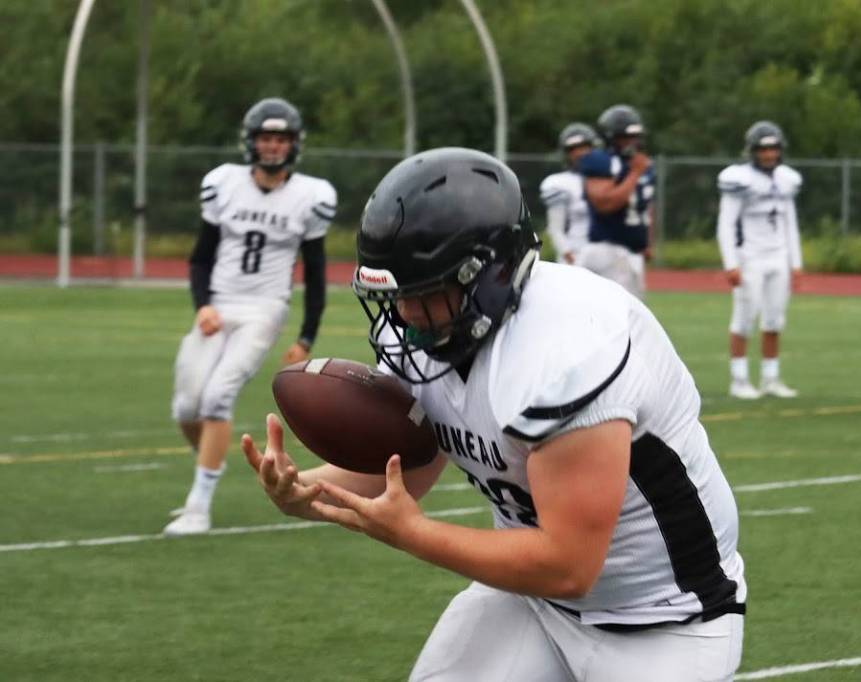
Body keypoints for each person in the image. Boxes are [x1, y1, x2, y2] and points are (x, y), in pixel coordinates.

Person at [242, 148, 746, 681]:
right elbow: (407, 467)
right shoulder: (424, 330)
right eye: (399, 295)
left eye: (427, 293)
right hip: (532, 600)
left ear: (491, 275)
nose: (407, 317)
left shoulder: (565, 350)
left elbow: (569, 564)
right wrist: (308, 493)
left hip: (665, 618)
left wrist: (413, 534)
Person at [164, 97, 337, 536]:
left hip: (264, 308)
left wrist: (306, 336)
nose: (273, 146)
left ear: (294, 144)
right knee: (187, 405)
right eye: (266, 137)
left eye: (281, 138)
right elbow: (201, 257)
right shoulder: (223, 183)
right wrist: (202, 303)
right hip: (219, 304)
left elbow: (315, 274)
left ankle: (198, 506)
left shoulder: (310, 196)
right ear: (251, 141)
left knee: (217, 397)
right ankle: (209, 462)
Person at [716, 121, 803, 400]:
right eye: (764, 149)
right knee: (744, 318)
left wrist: (796, 261)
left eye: (774, 149)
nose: (769, 155)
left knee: (775, 320)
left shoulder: (786, 179)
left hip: (778, 256)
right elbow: (725, 224)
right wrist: (730, 262)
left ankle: (770, 378)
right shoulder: (740, 179)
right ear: (753, 151)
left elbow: (790, 222)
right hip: (749, 256)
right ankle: (739, 380)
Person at [576, 104, 656, 299]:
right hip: (607, 249)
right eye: (625, 137)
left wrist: (646, 240)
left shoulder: (643, 164)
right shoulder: (600, 160)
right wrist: (634, 173)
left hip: (630, 253)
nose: (632, 143)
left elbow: (647, 206)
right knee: (621, 319)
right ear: (609, 138)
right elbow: (604, 204)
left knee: (631, 318)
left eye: (635, 137)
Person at [539, 122, 598, 264]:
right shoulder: (560, 183)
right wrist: (567, 253)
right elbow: (555, 228)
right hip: (576, 253)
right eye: (574, 149)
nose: (580, 153)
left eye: (585, 147)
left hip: (606, 253)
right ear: (566, 153)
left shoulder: (609, 178)